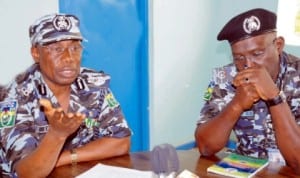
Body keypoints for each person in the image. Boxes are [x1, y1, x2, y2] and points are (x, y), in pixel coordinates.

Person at [0, 13, 132, 178]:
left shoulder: (94, 84)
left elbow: (121, 142)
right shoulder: (15, 97)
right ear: (36, 53)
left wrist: (63, 158)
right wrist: (57, 135)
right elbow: (27, 173)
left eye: (75, 48)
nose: (69, 58)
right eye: (57, 49)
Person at [195, 8, 300, 174]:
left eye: (257, 53)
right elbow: (206, 147)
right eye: (239, 58)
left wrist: (274, 97)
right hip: (245, 169)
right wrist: (236, 104)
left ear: (278, 45)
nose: (248, 65)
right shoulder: (226, 78)